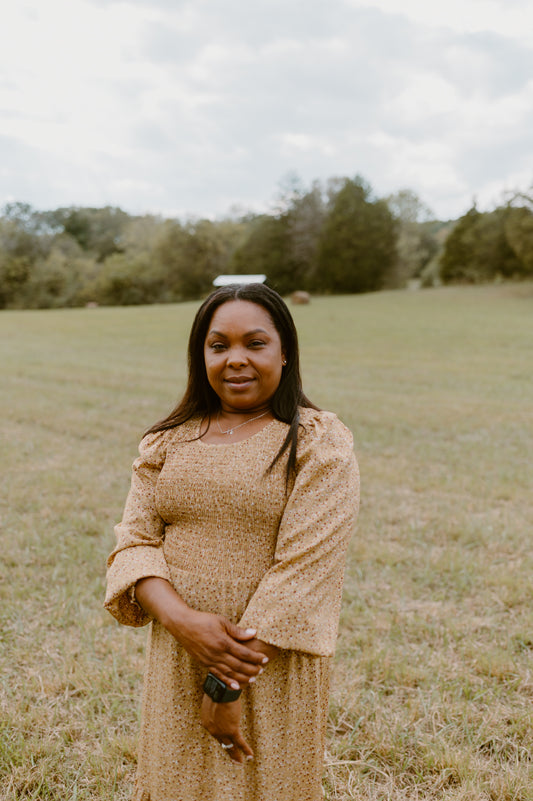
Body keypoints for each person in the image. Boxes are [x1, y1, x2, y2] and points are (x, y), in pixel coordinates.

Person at [104, 283, 360, 801]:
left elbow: (304, 573)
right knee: (175, 784)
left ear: (285, 353)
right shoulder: (168, 440)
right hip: (178, 652)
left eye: (255, 343)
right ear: (201, 356)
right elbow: (133, 542)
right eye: (219, 345)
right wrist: (182, 621)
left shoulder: (315, 440)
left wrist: (227, 682)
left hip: (268, 660)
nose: (236, 360)